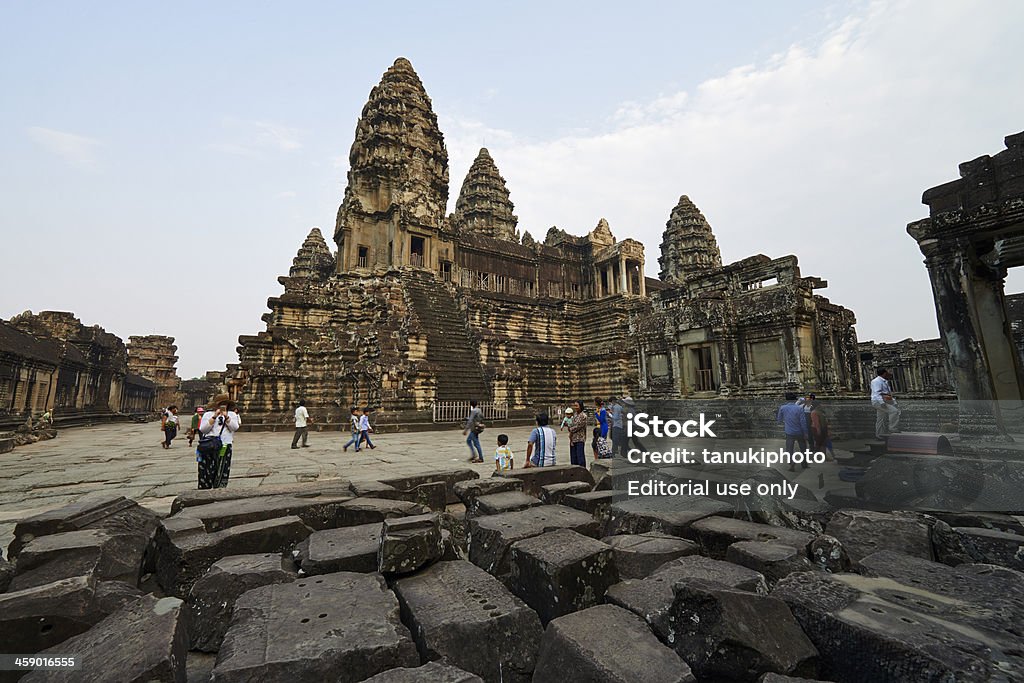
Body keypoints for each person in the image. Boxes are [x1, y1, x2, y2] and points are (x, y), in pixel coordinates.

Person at [197, 396, 240, 489]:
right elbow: (203, 429)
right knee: (207, 467)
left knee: (222, 466)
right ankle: (205, 487)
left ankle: (219, 487)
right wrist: (214, 416)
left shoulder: (232, 415)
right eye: (221, 404)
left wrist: (226, 417)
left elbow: (235, 428)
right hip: (209, 445)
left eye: (225, 404)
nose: (223, 406)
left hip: (225, 445)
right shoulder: (208, 414)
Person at [776, 392, 809, 472]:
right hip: (799, 431)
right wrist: (805, 432)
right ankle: (804, 463)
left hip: (789, 432)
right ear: (795, 399)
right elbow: (803, 421)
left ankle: (791, 464)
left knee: (789, 449)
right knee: (803, 448)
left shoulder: (783, 408)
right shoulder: (799, 408)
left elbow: (779, 420)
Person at [871, 367, 901, 439]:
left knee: (881, 418)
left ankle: (879, 435)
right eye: (887, 372)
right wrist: (882, 403)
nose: (889, 373)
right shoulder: (876, 381)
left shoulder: (884, 381)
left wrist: (893, 402)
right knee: (894, 411)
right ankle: (893, 428)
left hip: (884, 400)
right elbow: (877, 393)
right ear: (884, 373)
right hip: (879, 401)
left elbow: (887, 394)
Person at [568, 400, 588, 467]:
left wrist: (570, 429)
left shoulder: (583, 416)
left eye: (577, 406)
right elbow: (572, 424)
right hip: (573, 439)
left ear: (581, 406)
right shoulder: (575, 415)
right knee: (573, 458)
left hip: (580, 439)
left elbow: (578, 426)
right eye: (574, 406)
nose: (575, 407)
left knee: (580, 457)